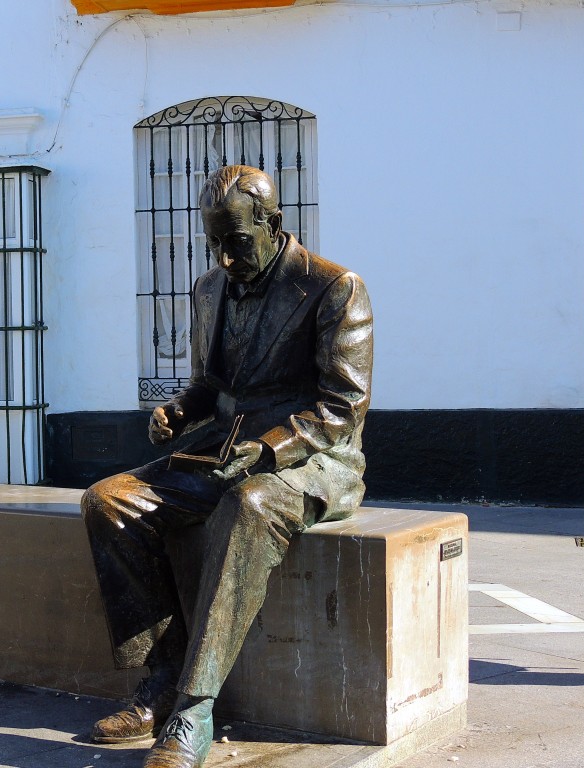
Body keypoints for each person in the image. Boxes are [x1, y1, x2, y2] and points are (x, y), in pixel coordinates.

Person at [81, 165, 373, 768]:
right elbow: (210, 384)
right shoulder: (210, 287)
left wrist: (270, 450)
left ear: (273, 224)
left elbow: (343, 406)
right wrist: (179, 411)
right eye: (213, 241)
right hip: (221, 446)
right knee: (107, 499)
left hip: (313, 459)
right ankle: (161, 679)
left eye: (237, 241)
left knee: (252, 504)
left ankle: (193, 707)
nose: (224, 257)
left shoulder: (334, 287)